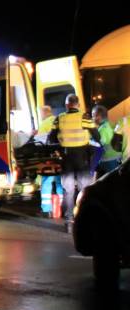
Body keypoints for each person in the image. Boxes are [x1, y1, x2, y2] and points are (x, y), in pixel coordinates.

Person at [47, 94, 100, 234]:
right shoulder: (84, 117)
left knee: (68, 191)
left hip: (66, 158)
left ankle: (69, 222)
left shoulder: (59, 118)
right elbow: (97, 135)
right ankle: (85, 220)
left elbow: (51, 138)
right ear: (77, 105)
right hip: (82, 157)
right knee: (84, 191)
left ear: (66, 105)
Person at [36, 106, 61, 217]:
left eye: (40, 113)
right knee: (60, 182)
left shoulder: (44, 123)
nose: (40, 116)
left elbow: (40, 142)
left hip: (48, 158)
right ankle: (60, 207)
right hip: (59, 156)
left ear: (45, 113)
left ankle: (47, 210)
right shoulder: (57, 120)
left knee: (46, 181)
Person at [92, 105, 122, 177]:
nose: (92, 118)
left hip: (107, 162)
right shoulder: (111, 125)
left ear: (98, 117)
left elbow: (98, 149)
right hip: (117, 159)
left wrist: (93, 165)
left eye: (93, 116)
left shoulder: (101, 131)